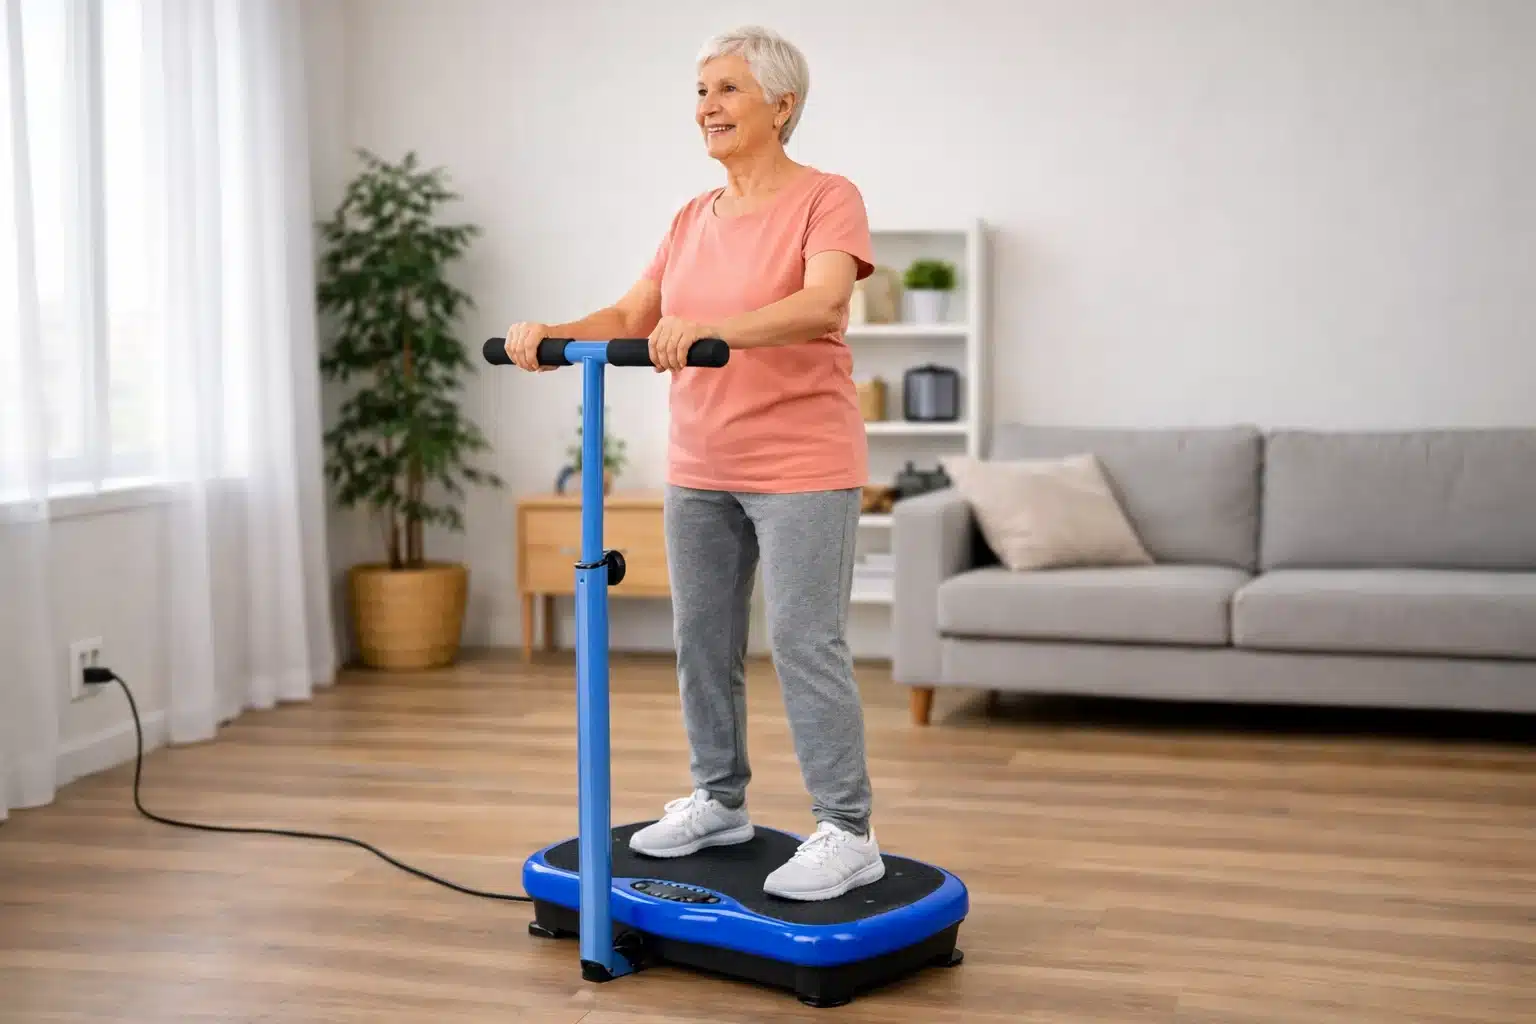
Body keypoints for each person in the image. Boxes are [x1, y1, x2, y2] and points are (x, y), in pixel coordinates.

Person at [503, 25, 881, 902]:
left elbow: (822, 301)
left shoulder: (828, 197)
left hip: (804, 461)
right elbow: (634, 313)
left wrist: (711, 335)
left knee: (801, 641)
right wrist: (549, 336)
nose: (707, 106)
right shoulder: (688, 217)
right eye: (701, 91)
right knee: (701, 637)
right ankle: (719, 800)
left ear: (782, 106)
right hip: (702, 461)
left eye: (728, 89)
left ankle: (849, 830)